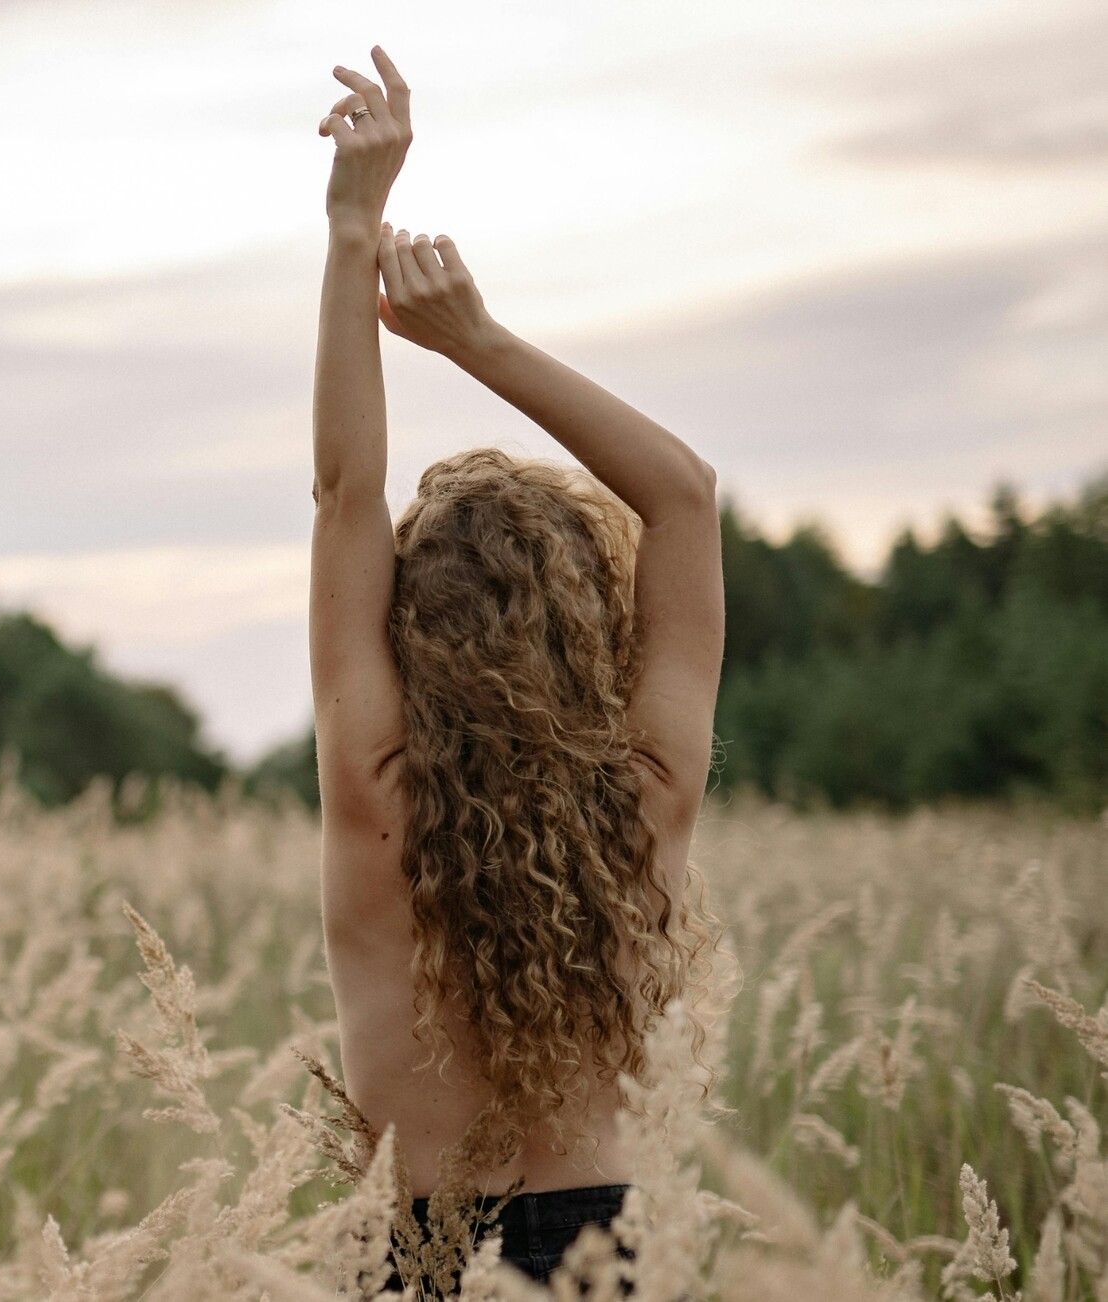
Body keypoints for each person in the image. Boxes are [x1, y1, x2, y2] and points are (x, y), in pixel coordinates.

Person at [306, 46, 725, 1291]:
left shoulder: (373, 787)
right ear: (590, 617)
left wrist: (349, 230)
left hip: (418, 1257)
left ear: (406, 628)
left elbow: (343, 495)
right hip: (611, 1255)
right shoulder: (643, 789)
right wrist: (472, 338)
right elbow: (684, 499)